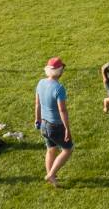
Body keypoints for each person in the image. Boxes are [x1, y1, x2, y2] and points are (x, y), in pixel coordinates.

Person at [34, 57, 73, 187]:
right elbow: (62, 110)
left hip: (44, 124)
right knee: (68, 149)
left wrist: (37, 119)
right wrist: (67, 128)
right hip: (56, 125)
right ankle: (51, 174)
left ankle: (51, 175)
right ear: (60, 71)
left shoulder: (40, 83)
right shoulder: (59, 88)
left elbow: (37, 104)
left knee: (51, 149)